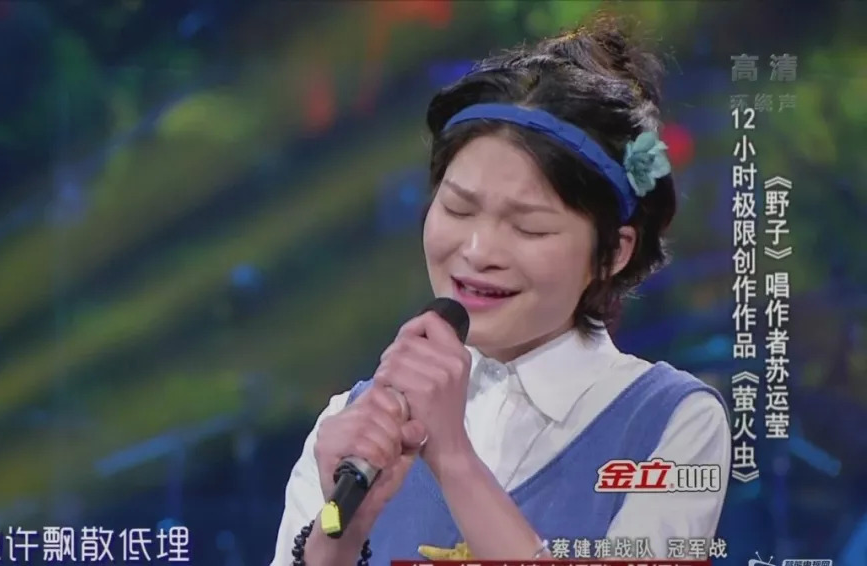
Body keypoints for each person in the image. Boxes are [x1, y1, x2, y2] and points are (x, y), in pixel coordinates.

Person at [270, 15, 730, 566]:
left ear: (613, 252)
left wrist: (453, 459)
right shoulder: (351, 425)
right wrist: (340, 534)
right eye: (458, 209)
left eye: (528, 227)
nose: (478, 250)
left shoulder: (672, 423)